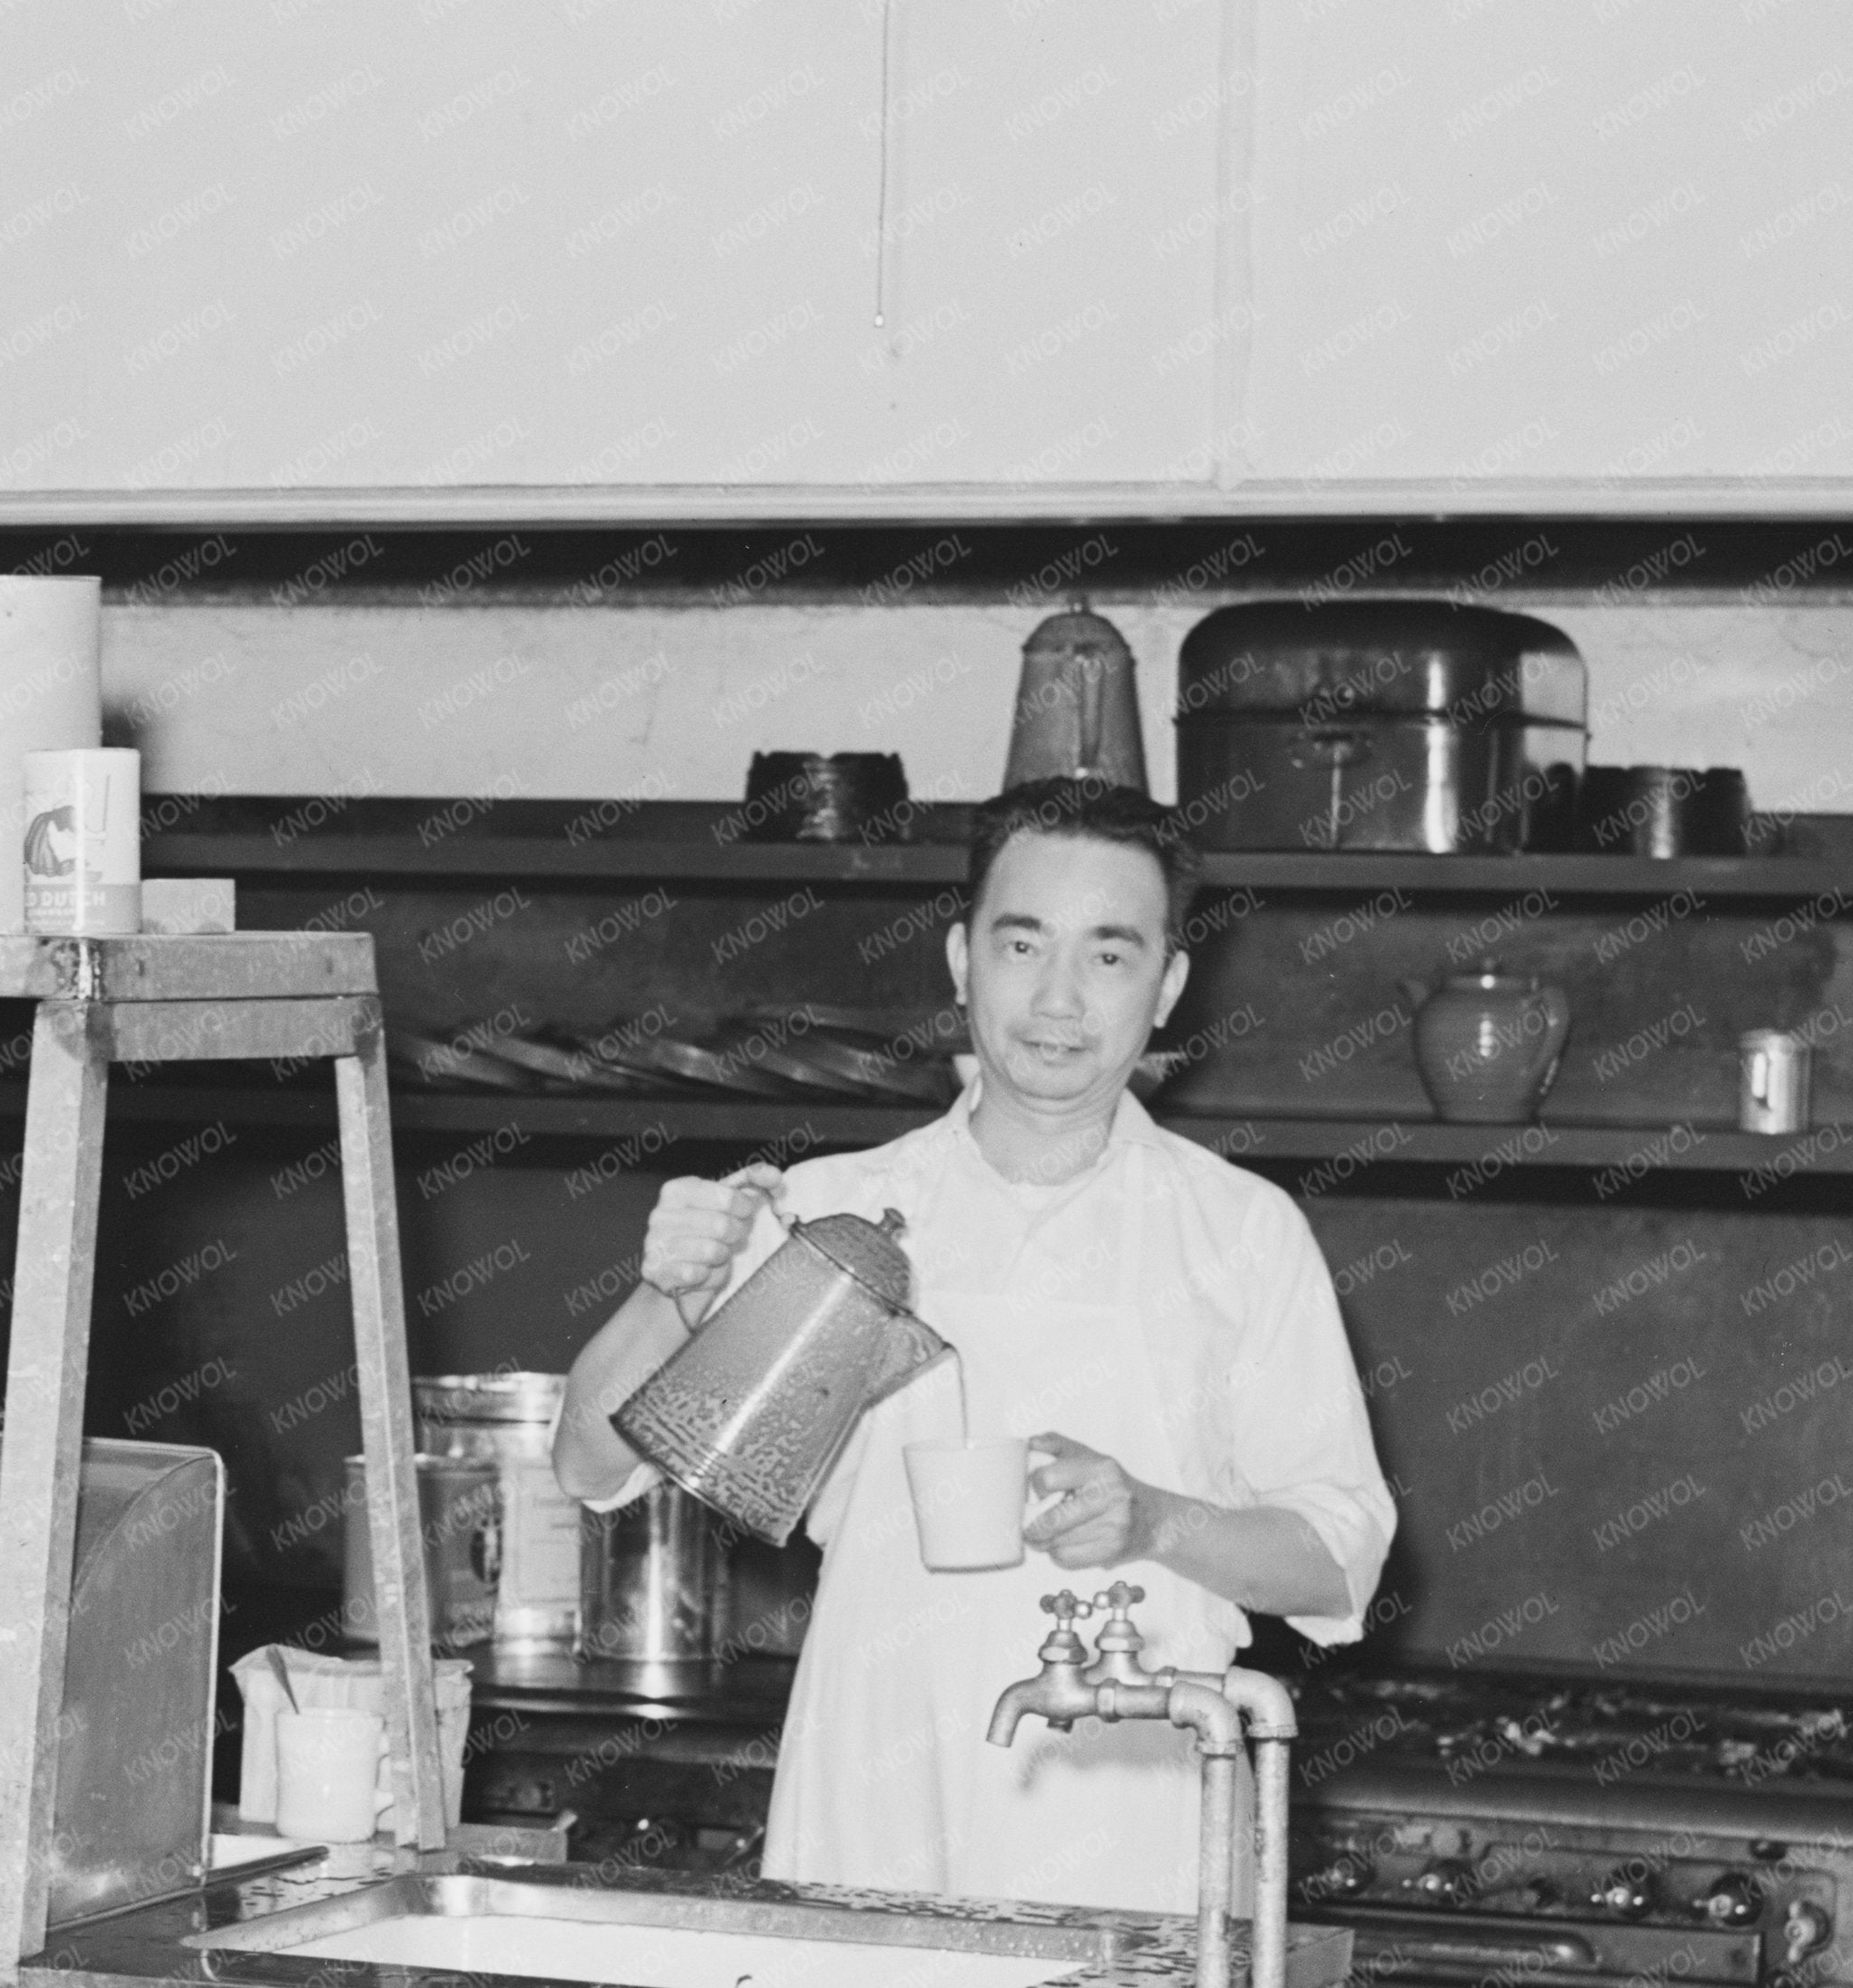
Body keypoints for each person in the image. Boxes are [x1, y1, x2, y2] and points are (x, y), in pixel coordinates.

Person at [551, 778, 1394, 1913]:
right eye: (1021, 943)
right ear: (959, 960)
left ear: (1168, 987)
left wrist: (1155, 1519)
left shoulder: (1238, 1231)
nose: (1057, 998)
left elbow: (1339, 1559)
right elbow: (593, 1466)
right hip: (874, 1787)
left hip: (1132, 1814)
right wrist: (671, 1291)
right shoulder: (836, 1215)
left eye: (1108, 955)